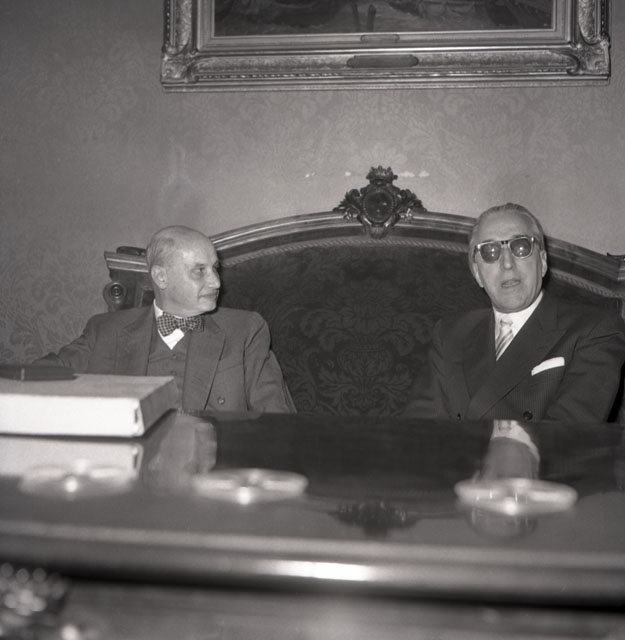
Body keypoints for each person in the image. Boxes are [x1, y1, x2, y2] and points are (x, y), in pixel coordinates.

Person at [36, 225, 296, 414]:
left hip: (216, 464)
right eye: (199, 271)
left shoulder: (246, 331)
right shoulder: (106, 330)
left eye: (215, 268)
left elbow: (278, 421)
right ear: (161, 277)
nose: (216, 282)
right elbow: (36, 377)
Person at [403, 203, 625, 423]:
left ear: (542, 262)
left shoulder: (596, 329)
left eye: (520, 247)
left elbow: (566, 434)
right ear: (477, 273)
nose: (507, 263)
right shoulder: (450, 334)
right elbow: (418, 431)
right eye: (490, 252)